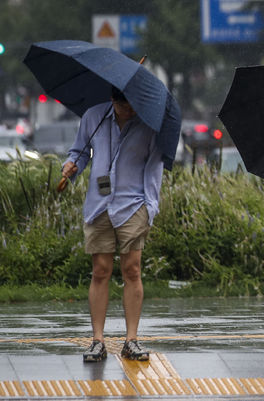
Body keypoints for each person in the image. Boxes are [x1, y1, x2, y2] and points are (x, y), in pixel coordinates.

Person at [62, 87, 164, 362]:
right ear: (112, 100)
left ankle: (131, 340)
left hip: (133, 205)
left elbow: (155, 165)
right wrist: (71, 165)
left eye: (132, 105)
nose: (128, 110)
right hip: (99, 206)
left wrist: (150, 207)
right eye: (123, 106)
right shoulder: (93, 117)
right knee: (100, 270)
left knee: (132, 270)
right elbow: (79, 152)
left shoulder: (149, 122)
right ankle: (97, 341)